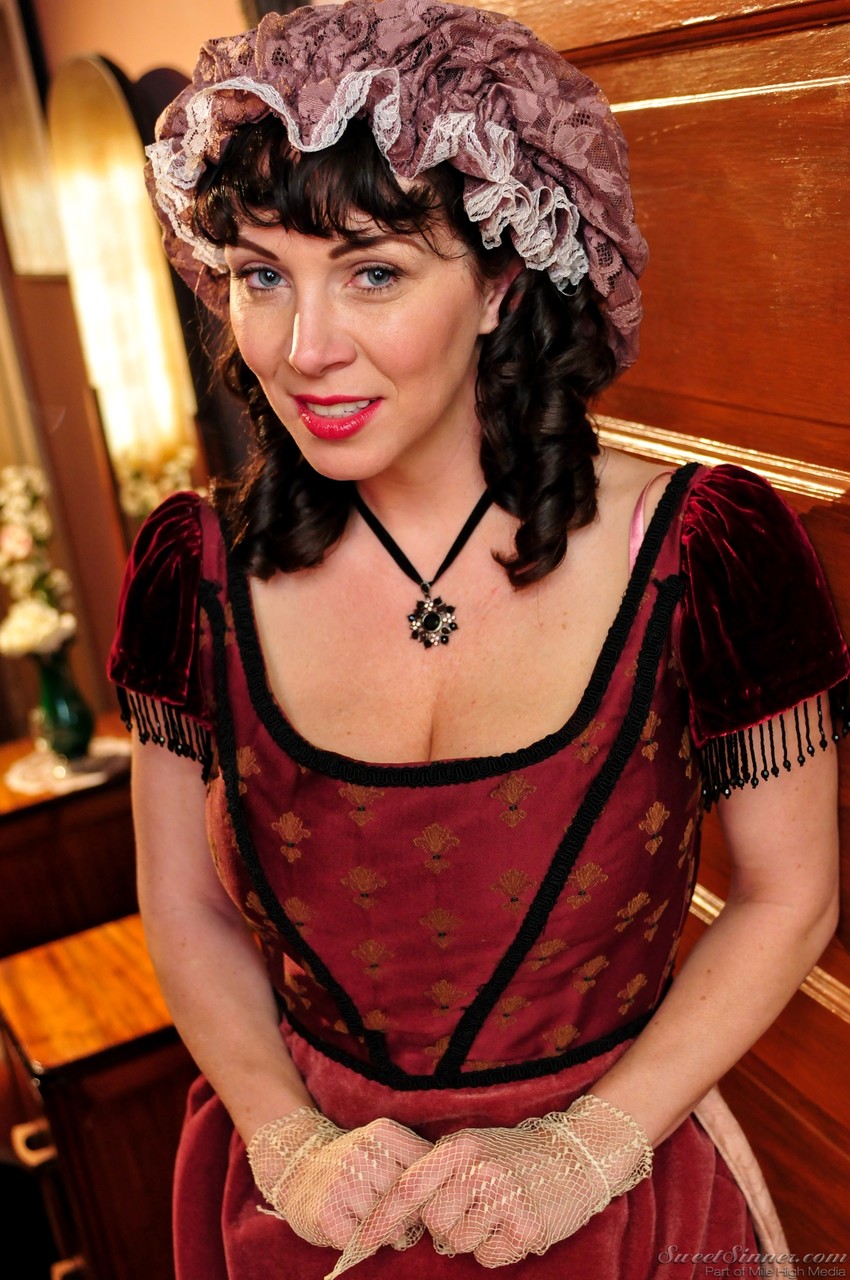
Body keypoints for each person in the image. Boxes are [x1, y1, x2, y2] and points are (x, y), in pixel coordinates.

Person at [108, 2, 849, 1277]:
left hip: (622, 1199)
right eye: (262, 275)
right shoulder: (194, 573)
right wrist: (287, 1142)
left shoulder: (701, 548)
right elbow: (182, 902)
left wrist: (586, 1147)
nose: (304, 348)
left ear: (502, 280)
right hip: (309, 1214)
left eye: (373, 272)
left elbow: (791, 893)